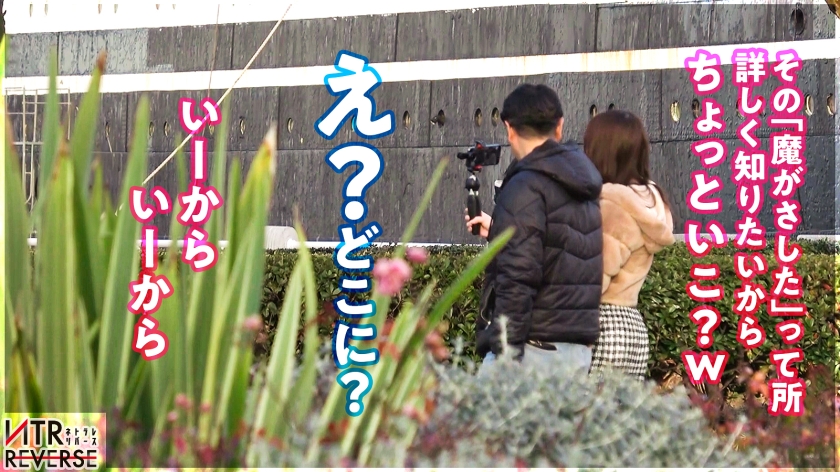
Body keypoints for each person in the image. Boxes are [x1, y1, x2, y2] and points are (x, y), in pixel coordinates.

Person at [465, 83, 604, 375]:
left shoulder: (525, 186)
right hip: (576, 352)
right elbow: (557, 252)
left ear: (509, 129)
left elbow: (518, 278)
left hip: (532, 350)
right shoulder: (583, 184)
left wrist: (505, 354)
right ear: (559, 126)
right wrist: (499, 230)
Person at [582, 110, 675, 381]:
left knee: (585, 408)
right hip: (632, 328)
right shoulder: (651, 202)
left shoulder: (613, 205)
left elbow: (594, 277)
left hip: (601, 326)